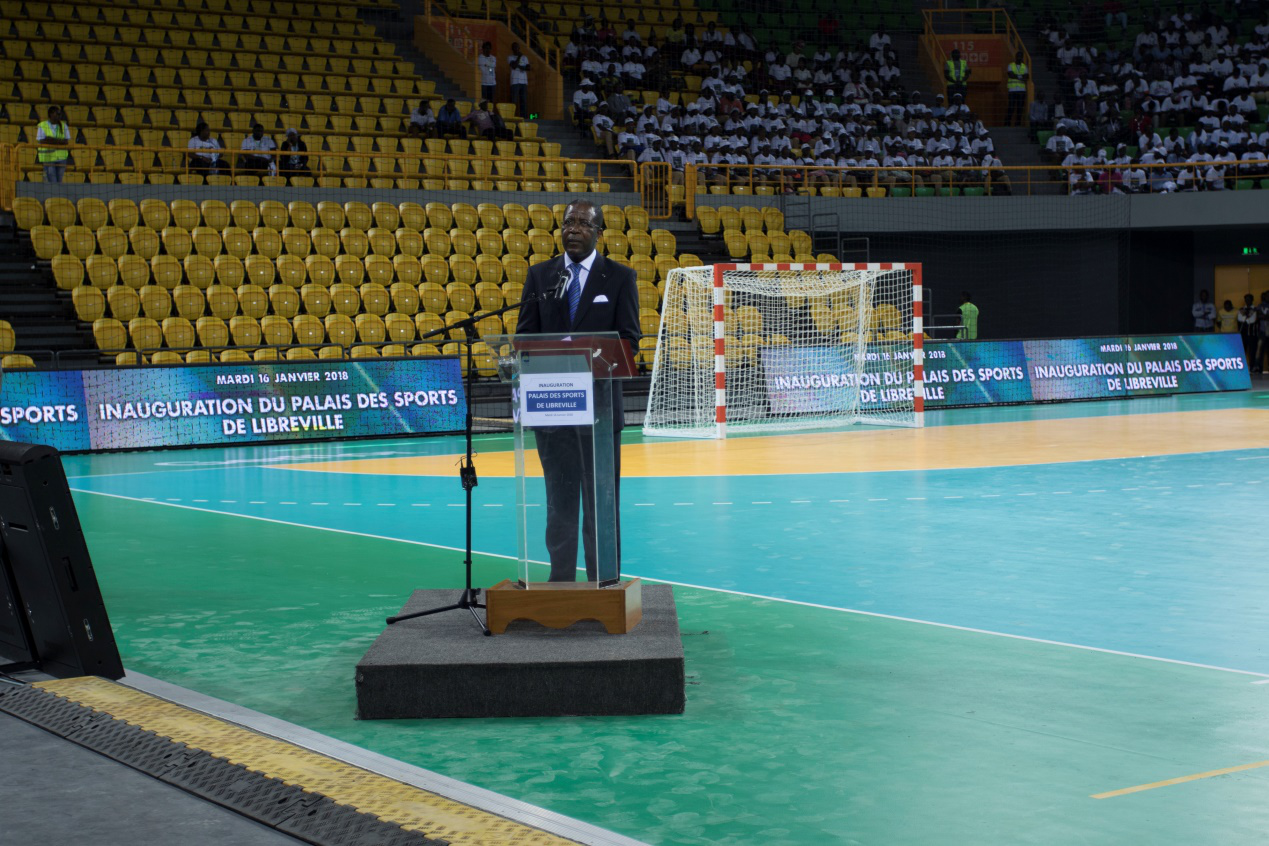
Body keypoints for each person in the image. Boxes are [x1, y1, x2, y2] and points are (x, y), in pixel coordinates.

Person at [515, 199, 640, 583]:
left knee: (602, 501)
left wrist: (589, 355)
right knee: (560, 501)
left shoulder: (619, 277)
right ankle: (561, 582)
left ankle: (605, 581)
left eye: (583, 223)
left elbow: (630, 341)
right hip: (552, 408)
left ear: (599, 232)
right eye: (568, 222)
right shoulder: (541, 276)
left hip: (599, 412)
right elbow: (523, 338)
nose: (573, 229)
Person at [36, 105, 71, 183]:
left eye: (59, 113)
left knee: (59, 182)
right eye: (57, 113)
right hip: (48, 158)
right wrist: (59, 141)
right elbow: (41, 140)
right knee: (52, 182)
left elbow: (66, 142)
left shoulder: (64, 125)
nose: (59, 115)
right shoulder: (42, 125)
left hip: (61, 158)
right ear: (51, 114)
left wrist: (51, 139)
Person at [1005, 50, 1029, 127]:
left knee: (1020, 108)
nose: (1019, 58)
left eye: (1020, 56)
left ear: (1022, 58)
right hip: (1012, 90)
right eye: (1018, 56)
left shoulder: (1024, 66)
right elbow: (1010, 75)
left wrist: (1016, 76)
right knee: (1011, 107)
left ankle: (1017, 124)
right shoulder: (1010, 65)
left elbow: (1026, 77)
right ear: (1015, 57)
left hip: (1022, 90)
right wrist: (1021, 76)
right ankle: (1007, 123)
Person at [508, 43, 530, 119]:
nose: (516, 49)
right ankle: (511, 117)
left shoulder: (525, 57)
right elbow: (513, 66)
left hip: (524, 82)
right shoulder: (510, 57)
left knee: (523, 101)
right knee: (513, 101)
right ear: (512, 49)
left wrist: (520, 66)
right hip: (514, 82)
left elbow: (528, 68)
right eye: (515, 47)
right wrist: (519, 57)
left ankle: (524, 118)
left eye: (517, 47)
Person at [1237, 293, 1259, 366]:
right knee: (1242, 351)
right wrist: (1246, 319)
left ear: (1252, 300)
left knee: (1252, 352)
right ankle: (1242, 367)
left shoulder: (1255, 309)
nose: (1247, 301)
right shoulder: (1241, 309)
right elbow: (1239, 319)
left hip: (1252, 333)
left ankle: (1252, 367)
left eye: (1249, 299)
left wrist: (1245, 319)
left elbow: (1253, 320)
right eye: (1246, 299)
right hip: (1243, 333)